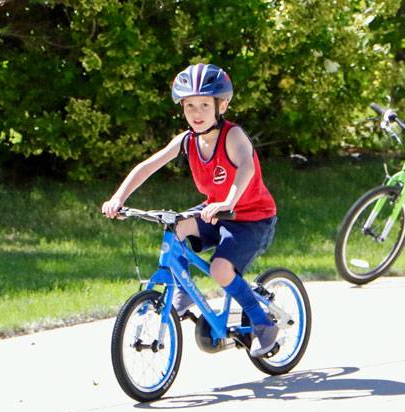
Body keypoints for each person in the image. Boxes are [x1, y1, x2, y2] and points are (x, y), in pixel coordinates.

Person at [101, 63, 280, 357]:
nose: (196, 114)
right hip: (215, 210)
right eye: (189, 106)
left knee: (221, 269)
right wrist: (118, 197)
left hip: (250, 217)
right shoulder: (187, 141)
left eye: (204, 106)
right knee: (178, 228)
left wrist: (229, 202)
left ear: (221, 105)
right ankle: (183, 294)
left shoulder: (232, 136)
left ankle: (263, 325)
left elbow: (246, 166)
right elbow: (148, 166)